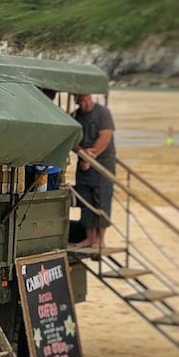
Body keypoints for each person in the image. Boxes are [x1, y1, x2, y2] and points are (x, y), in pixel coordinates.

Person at [72, 93, 116, 248]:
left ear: (90, 97)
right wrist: (82, 154)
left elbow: (106, 136)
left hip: (103, 164)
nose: (84, 104)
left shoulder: (103, 112)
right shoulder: (76, 115)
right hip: (84, 162)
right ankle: (90, 238)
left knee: (102, 199)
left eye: (86, 100)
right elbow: (71, 139)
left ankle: (100, 239)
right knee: (86, 199)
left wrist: (92, 156)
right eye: (81, 101)